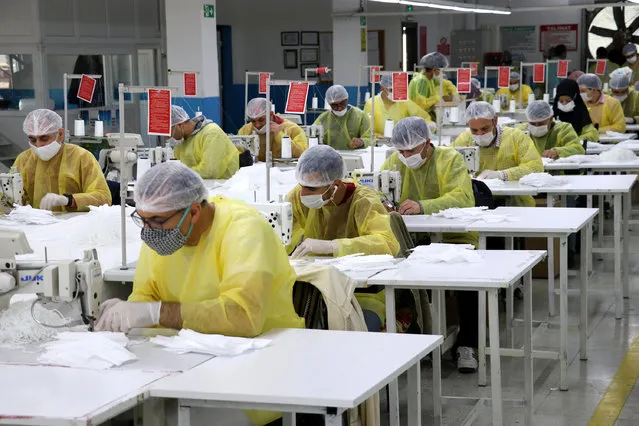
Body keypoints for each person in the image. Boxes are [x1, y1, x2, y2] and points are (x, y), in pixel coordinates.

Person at [95, 161, 304, 425]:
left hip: (259, 366)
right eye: (143, 220)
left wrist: (156, 312)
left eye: (157, 221)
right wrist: (125, 317)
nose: (149, 231)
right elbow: (146, 295)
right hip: (190, 360)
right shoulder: (163, 237)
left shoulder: (244, 230)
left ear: (193, 211)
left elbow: (243, 316)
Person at [381, 116, 479, 373]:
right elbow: (379, 191)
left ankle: (468, 344)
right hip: (413, 239)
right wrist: (383, 203)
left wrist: (423, 206)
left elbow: (463, 197)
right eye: (401, 150)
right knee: (396, 276)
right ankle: (416, 337)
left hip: (454, 237)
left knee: (468, 282)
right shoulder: (394, 162)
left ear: (427, 143)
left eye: (411, 150)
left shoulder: (449, 159)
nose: (405, 155)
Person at [287, 145, 399, 332]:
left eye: (311, 188)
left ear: (336, 185)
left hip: (360, 292)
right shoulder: (298, 196)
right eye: (302, 186)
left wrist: (334, 246)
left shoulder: (363, 201)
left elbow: (387, 243)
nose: (303, 194)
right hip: (314, 289)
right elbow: (283, 232)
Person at [13, 109, 111, 211]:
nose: (38, 145)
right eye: (33, 140)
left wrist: (69, 200)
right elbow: (11, 199)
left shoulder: (82, 157)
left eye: (44, 138)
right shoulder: (23, 160)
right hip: (37, 224)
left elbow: (103, 198)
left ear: (60, 134)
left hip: (74, 224)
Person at [452, 102, 543, 207]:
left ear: (495, 120)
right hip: (477, 203)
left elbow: (536, 167)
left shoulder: (515, 137)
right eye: (474, 130)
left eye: (485, 129)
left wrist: (502, 175)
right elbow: (449, 166)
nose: (480, 134)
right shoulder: (464, 139)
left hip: (514, 203)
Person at [169, 106, 238, 179]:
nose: (167, 138)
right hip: (199, 184)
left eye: (169, 132)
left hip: (225, 185)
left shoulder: (212, 133)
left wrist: (180, 174)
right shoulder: (181, 140)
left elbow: (209, 171)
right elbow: (176, 167)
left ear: (180, 125)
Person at [238, 98, 308, 162]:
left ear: (270, 114)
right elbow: (236, 151)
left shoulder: (291, 128)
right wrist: (241, 158)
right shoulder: (246, 130)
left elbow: (303, 154)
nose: (257, 125)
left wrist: (280, 135)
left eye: (261, 120)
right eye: (253, 121)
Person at [364, 74, 434, 136]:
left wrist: (428, 124)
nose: (395, 94)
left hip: (401, 142)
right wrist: (378, 136)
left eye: (397, 90)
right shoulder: (371, 103)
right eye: (391, 90)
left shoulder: (404, 101)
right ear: (382, 87)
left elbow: (422, 116)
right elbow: (367, 129)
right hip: (377, 144)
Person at [517, 101, 584, 159]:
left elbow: (578, 149)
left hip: (556, 172)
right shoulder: (520, 131)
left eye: (541, 123)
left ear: (551, 119)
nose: (536, 126)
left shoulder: (563, 129)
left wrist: (558, 151)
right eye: (532, 123)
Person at [313, 85, 371, 150]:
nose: (339, 108)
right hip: (330, 157)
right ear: (329, 104)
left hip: (355, 157)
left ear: (346, 99)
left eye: (342, 103)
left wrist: (361, 142)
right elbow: (314, 138)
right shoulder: (322, 119)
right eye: (335, 105)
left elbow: (370, 138)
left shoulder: (360, 116)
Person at [409, 52, 458, 119]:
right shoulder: (422, 82)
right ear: (434, 70)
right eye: (441, 71)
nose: (442, 73)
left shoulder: (429, 79)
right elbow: (421, 105)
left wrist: (453, 90)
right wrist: (436, 98)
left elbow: (442, 82)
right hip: (418, 118)